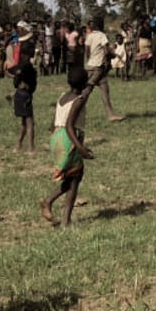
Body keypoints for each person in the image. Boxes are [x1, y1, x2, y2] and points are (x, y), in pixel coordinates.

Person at [43, 37, 95, 227]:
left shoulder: (63, 97)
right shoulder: (79, 100)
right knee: (75, 178)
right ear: (83, 83)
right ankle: (65, 220)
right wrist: (80, 148)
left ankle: (49, 202)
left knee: (72, 177)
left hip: (56, 137)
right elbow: (70, 125)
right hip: (68, 137)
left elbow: (56, 121)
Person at [82, 18, 123, 122]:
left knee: (104, 89)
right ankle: (74, 112)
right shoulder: (101, 35)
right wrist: (112, 55)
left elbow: (86, 50)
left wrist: (90, 59)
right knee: (87, 90)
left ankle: (111, 114)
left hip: (91, 65)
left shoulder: (89, 36)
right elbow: (106, 50)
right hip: (98, 67)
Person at [9, 25, 39, 153]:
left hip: (19, 94)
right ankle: (31, 148)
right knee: (30, 122)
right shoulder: (27, 65)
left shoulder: (21, 65)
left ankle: (18, 146)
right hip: (25, 95)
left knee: (24, 122)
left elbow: (11, 71)